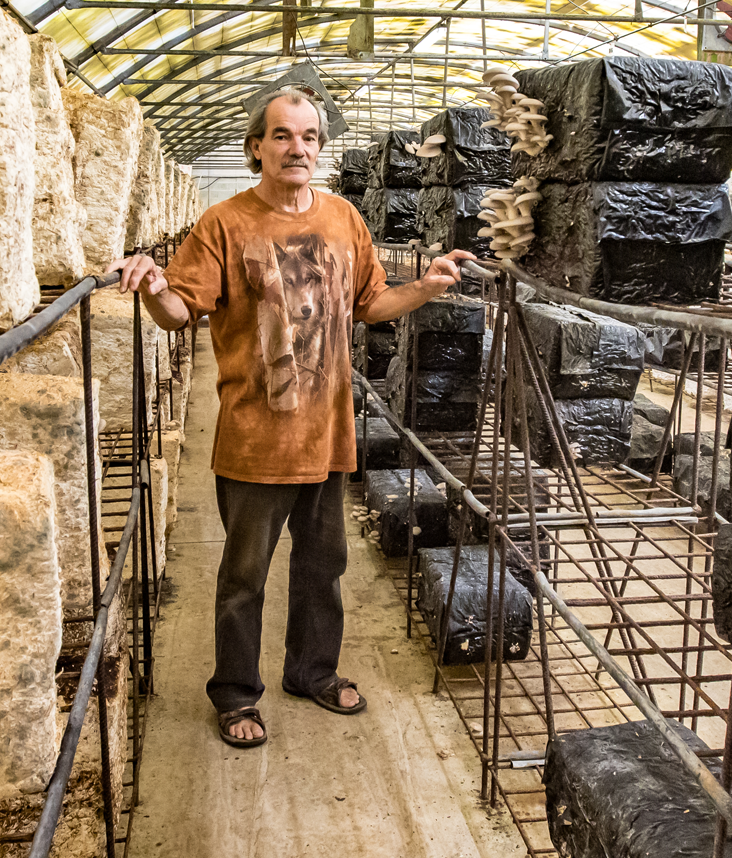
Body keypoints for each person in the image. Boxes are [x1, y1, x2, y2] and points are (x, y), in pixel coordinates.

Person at [108, 86, 474, 748]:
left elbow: (371, 304)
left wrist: (426, 286)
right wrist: (156, 287)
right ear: (257, 147)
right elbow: (181, 312)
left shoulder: (343, 219)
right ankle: (237, 693)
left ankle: (312, 672)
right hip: (255, 437)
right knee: (244, 577)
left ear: (320, 149)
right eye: (281, 135)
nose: (296, 147)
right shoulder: (224, 224)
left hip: (327, 434)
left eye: (307, 136)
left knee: (323, 565)